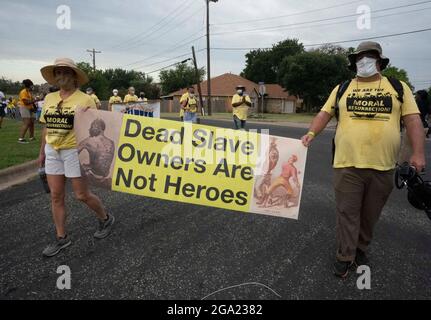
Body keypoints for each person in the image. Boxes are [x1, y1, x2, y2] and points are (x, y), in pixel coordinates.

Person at [301, 41, 426, 278]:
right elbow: (324, 114)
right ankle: (345, 255)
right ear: (354, 62)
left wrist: (418, 153)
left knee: (370, 214)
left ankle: (361, 248)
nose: (364, 61)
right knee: (347, 213)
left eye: (369, 57)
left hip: (383, 166)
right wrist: (310, 133)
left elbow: (413, 121)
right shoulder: (342, 88)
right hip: (347, 164)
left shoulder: (398, 87)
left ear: (379, 61)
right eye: (360, 57)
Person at [38, 58, 114, 257]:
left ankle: (105, 218)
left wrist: (86, 116)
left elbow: (95, 127)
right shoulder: (50, 98)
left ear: (73, 76)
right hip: (53, 151)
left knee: (81, 195)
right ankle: (61, 238)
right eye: (57, 73)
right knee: (56, 196)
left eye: (64, 72)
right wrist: (41, 153)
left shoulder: (85, 99)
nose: (60, 76)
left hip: (73, 150)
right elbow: (46, 126)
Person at [78, 118, 115, 188]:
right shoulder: (112, 143)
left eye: (92, 126)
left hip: (94, 176)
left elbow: (72, 155)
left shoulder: (88, 141)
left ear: (100, 128)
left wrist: (84, 168)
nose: (90, 129)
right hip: (104, 177)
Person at [18, 79, 36, 143]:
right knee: (26, 123)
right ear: (29, 85)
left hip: (29, 108)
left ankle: (31, 137)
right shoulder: (23, 92)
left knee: (32, 123)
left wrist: (33, 105)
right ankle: (21, 139)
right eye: (31, 85)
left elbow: (31, 101)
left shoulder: (29, 92)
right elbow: (26, 102)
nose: (32, 86)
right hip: (24, 107)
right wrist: (36, 100)